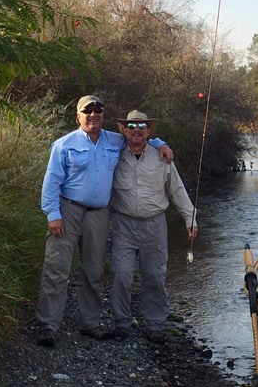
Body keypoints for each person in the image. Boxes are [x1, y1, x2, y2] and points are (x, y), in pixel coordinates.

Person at [36, 96, 174, 347]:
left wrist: (160, 142)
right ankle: (48, 325)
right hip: (68, 211)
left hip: (99, 214)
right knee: (57, 269)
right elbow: (51, 182)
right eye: (86, 111)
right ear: (78, 116)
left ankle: (90, 323)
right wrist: (52, 214)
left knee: (93, 270)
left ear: (103, 115)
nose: (93, 114)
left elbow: (139, 137)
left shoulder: (115, 140)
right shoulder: (63, 144)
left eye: (97, 110)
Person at [109, 109, 198, 344]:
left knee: (154, 276)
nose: (136, 131)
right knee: (121, 274)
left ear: (148, 131)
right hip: (124, 224)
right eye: (131, 126)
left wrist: (190, 219)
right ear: (123, 130)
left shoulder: (162, 157)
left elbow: (177, 190)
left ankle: (156, 323)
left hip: (155, 224)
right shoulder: (113, 155)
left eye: (141, 126)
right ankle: (122, 322)